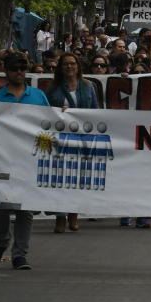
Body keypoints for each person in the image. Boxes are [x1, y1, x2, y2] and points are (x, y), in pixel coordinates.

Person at [0, 52, 51, 270]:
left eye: (22, 68)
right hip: (3, 159)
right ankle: (1, 241)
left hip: (29, 160)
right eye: (14, 68)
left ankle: (20, 254)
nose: (19, 71)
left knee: (26, 209)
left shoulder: (39, 96)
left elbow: (49, 126)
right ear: (6, 71)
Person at [44, 52, 101, 233]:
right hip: (60, 138)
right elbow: (45, 113)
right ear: (61, 68)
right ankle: (60, 217)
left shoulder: (89, 86)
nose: (70, 66)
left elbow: (95, 112)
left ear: (78, 67)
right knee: (61, 177)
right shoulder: (52, 89)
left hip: (82, 138)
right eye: (66, 64)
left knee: (78, 177)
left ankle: (74, 215)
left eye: (73, 63)